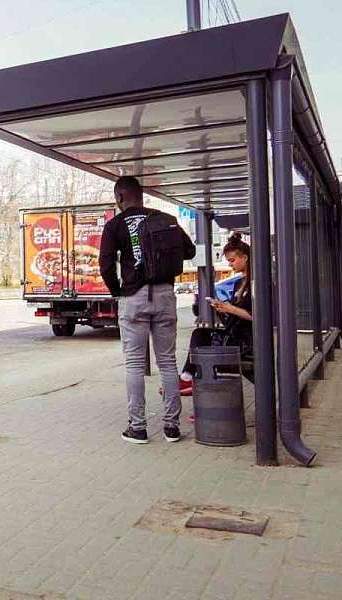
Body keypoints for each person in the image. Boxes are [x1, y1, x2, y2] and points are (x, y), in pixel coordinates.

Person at [99, 176, 196, 444]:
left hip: (133, 297)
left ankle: (138, 427)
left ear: (120, 198)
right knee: (167, 361)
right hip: (165, 294)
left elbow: (105, 265)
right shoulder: (165, 218)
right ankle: (171, 427)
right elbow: (188, 251)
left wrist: (117, 291)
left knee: (133, 362)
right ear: (141, 196)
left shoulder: (115, 225)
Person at [179, 233, 253, 399]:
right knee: (200, 334)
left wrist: (230, 309)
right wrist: (222, 308)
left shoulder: (255, 282)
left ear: (245, 258)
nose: (230, 264)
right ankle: (189, 378)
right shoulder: (241, 282)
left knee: (201, 337)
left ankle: (191, 380)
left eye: (232, 260)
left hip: (246, 339)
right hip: (236, 332)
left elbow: (257, 316)